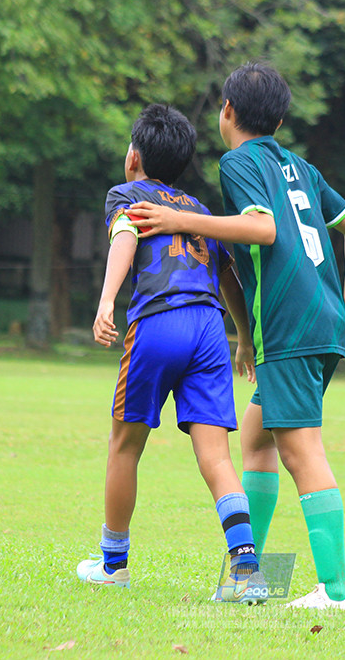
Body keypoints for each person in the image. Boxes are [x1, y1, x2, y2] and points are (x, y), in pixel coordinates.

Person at [128, 62, 345, 610]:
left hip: (291, 324)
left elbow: (262, 229)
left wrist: (183, 222)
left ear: (227, 112)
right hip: (320, 321)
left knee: (301, 449)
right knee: (257, 437)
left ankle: (336, 593)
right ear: (282, 118)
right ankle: (250, 578)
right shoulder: (302, 167)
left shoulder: (239, 161)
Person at [75, 104, 265, 602]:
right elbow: (229, 278)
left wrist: (106, 300)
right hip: (208, 330)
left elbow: (123, 235)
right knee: (216, 455)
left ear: (133, 157)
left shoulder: (129, 194)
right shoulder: (198, 211)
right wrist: (242, 336)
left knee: (125, 446)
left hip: (158, 321)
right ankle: (247, 571)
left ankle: (113, 565)